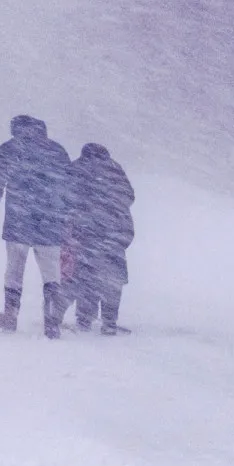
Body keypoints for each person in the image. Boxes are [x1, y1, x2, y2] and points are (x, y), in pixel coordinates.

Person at [0, 114, 72, 338]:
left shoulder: (8, 150)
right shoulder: (57, 151)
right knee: (51, 274)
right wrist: (69, 220)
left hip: (18, 220)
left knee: (14, 270)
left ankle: (10, 314)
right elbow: (70, 189)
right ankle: (51, 320)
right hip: (50, 222)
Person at [63, 142, 134, 335]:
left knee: (86, 275)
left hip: (86, 232)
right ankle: (109, 321)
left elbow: (65, 199)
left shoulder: (77, 168)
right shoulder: (115, 169)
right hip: (116, 232)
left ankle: (84, 319)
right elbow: (129, 197)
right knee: (112, 279)